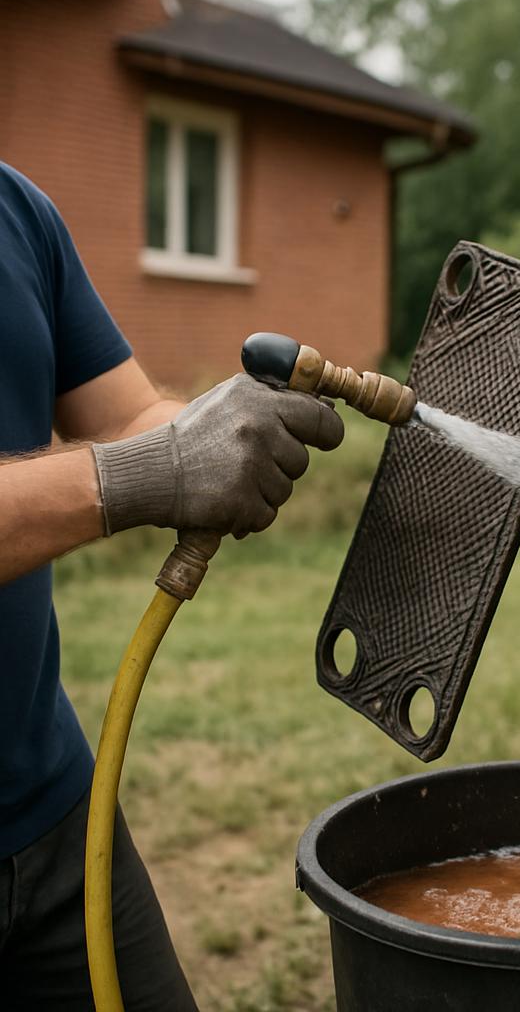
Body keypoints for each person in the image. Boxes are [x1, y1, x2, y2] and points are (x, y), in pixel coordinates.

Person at [0, 161, 345, 1009]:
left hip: (52, 810)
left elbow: (124, 421)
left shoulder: (17, 212)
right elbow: (132, 458)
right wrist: (139, 476)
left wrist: (219, 428)